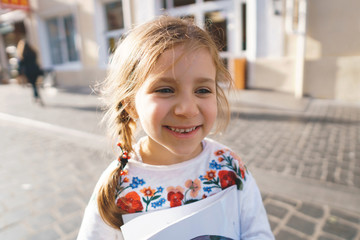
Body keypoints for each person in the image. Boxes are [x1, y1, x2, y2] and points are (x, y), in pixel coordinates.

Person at [77, 16, 274, 239]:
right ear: (131, 104)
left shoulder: (229, 165)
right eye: (165, 90)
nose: (188, 109)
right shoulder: (118, 187)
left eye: (202, 90)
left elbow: (257, 233)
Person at [17, 39, 44, 106]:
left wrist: (19, 73)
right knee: (35, 84)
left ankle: (36, 96)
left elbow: (20, 65)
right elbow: (36, 61)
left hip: (29, 71)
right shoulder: (33, 52)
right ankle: (36, 96)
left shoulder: (23, 54)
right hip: (35, 70)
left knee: (33, 84)